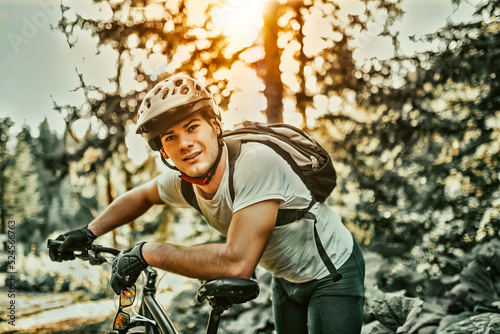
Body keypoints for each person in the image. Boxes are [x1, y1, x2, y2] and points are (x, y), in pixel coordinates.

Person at [51, 75, 365, 333]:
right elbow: (141, 195)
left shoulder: (255, 164)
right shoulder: (187, 182)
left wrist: (147, 252)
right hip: (285, 279)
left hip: (332, 273)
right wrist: (89, 232)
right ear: (164, 152)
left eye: (192, 127)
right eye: (170, 137)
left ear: (215, 126)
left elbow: (237, 264)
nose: (184, 143)